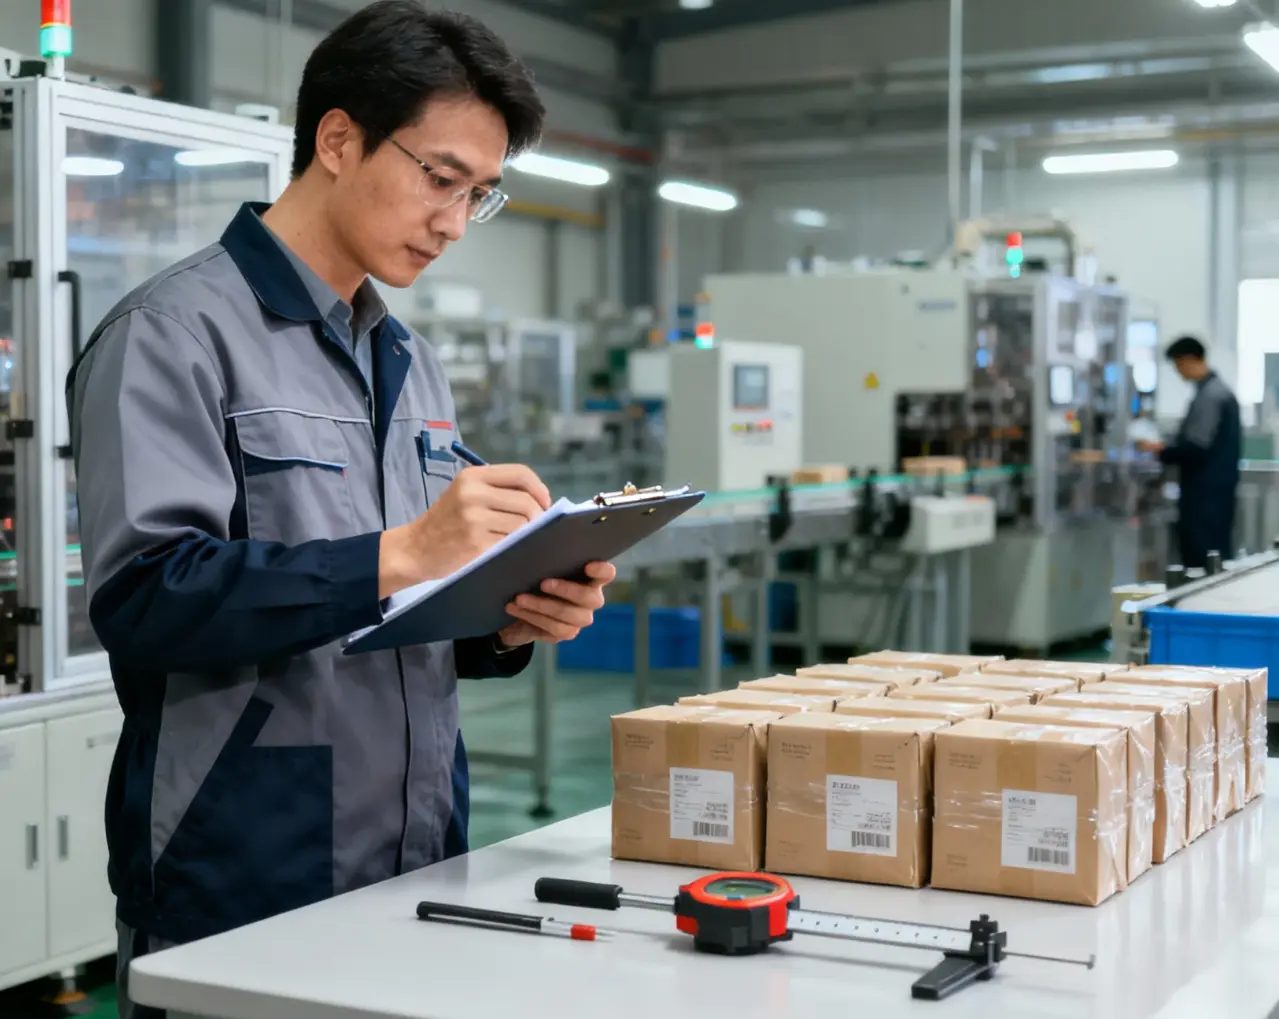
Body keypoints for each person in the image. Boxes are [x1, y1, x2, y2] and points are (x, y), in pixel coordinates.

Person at [66, 4, 616, 1016]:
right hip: (242, 864)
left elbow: (398, 609)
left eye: (480, 194)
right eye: (439, 177)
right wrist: (405, 550)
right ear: (337, 139)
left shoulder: (403, 356)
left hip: (415, 853)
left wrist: (501, 617)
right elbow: (144, 599)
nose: (454, 220)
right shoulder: (172, 335)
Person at [1142, 335, 1242, 569]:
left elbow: (1196, 448)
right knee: (1214, 558)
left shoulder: (1210, 396)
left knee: (1202, 562)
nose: (1179, 372)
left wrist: (1163, 451)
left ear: (1189, 360)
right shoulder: (1218, 392)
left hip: (1205, 498)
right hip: (1215, 495)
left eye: (1178, 365)